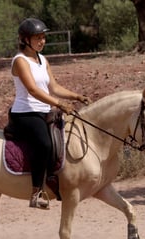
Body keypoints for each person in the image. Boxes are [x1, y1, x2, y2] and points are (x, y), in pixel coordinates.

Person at [10, 17, 91, 209]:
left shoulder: (42, 59)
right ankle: (36, 192)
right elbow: (33, 90)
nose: (42, 41)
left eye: (43, 37)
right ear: (25, 39)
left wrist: (76, 96)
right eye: (37, 38)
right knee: (44, 144)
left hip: (44, 110)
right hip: (26, 113)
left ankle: (60, 180)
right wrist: (60, 104)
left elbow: (52, 86)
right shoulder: (20, 61)